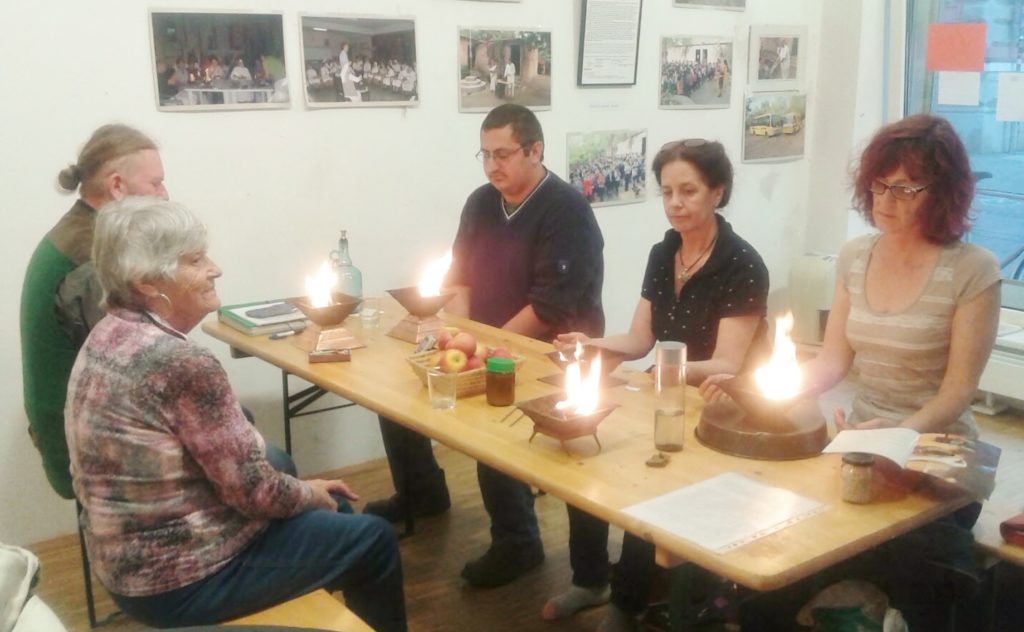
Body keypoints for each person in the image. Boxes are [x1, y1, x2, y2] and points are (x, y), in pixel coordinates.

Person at [65, 197, 407, 631]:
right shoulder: (180, 362)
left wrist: (305, 492)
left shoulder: (107, 334)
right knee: (372, 539)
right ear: (148, 282)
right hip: (178, 581)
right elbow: (253, 493)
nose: (215, 268)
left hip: (124, 566)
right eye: (195, 260)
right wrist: (309, 492)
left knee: (310, 489)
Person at [716, 114, 1001, 630]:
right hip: (861, 445)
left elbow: (958, 394)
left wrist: (895, 436)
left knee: (917, 571)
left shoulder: (973, 271)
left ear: (941, 193)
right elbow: (830, 361)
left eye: (903, 189)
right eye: (877, 186)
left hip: (940, 455)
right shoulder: (855, 257)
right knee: (781, 554)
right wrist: (761, 396)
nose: (884, 202)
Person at [366, 104, 605, 589]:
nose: (493, 165)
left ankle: (518, 541)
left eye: (504, 154)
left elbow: (549, 307)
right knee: (398, 394)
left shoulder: (566, 211)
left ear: (535, 150)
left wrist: (491, 349)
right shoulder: (481, 202)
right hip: (491, 340)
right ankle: (422, 494)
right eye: (485, 154)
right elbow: (462, 277)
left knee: (495, 434)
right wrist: (452, 333)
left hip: (552, 353)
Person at [544, 139, 769, 630]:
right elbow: (642, 338)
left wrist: (659, 374)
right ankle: (589, 579)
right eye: (667, 192)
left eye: (688, 191)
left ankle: (627, 603)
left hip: (716, 406)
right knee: (582, 453)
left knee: (650, 487)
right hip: (662, 394)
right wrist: (593, 343)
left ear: (718, 192)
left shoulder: (742, 263)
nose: (676, 203)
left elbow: (727, 362)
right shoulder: (662, 252)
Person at [20, 125, 168, 501]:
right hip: (81, 445)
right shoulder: (92, 256)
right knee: (265, 459)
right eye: (156, 184)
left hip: (71, 423)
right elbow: (131, 363)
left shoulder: (80, 232)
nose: (165, 196)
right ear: (117, 186)